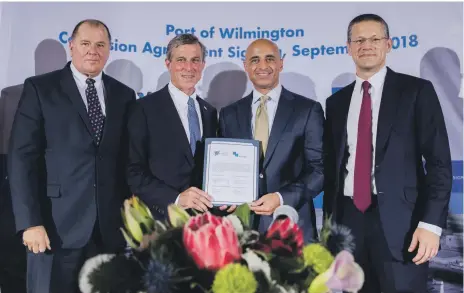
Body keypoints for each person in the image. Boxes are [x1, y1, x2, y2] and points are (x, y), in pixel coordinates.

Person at [323, 13, 452, 292]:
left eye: (374, 39)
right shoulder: (336, 102)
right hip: (347, 224)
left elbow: (439, 163)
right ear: (348, 47)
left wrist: (431, 224)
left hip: (402, 225)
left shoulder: (416, 91)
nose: (366, 45)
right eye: (358, 40)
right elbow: (334, 168)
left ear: (389, 44)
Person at [8, 19, 136, 293]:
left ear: (110, 49)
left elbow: (126, 162)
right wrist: (30, 222)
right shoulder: (40, 89)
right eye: (86, 44)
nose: (93, 51)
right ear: (72, 46)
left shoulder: (124, 95)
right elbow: (21, 159)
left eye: (100, 44)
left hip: (108, 232)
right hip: (54, 229)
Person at [219, 39, 324, 243]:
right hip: (243, 229)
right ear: (246, 66)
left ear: (281, 63)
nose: (263, 66)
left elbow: (319, 171)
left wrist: (281, 198)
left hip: (292, 224)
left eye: (270, 59)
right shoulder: (229, 114)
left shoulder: (308, 110)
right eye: (255, 60)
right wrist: (224, 195)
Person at [127, 34, 220, 219]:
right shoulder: (144, 108)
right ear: (168, 64)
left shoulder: (209, 111)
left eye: (195, 60)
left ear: (203, 65)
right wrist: (176, 199)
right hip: (160, 221)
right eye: (181, 60)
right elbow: (133, 171)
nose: (189, 67)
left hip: (202, 222)